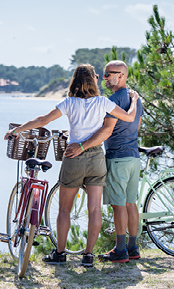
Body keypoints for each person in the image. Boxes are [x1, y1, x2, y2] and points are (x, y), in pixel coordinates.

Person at [3, 64, 140, 267]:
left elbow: (42, 120)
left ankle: (60, 253)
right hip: (96, 157)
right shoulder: (103, 102)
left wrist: (18, 130)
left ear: (75, 81)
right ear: (92, 81)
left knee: (65, 209)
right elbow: (129, 117)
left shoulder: (69, 103)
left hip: (73, 155)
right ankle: (88, 256)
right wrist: (135, 101)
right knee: (94, 210)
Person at [63, 60, 143, 263]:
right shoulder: (137, 99)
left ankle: (120, 250)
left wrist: (82, 146)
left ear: (121, 76)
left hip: (117, 157)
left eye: (109, 74)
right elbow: (136, 125)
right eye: (104, 74)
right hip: (134, 157)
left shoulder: (114, 99)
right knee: (131, 203)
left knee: (119, 205)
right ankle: (133, 248)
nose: (105, 78)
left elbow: (106, 130)